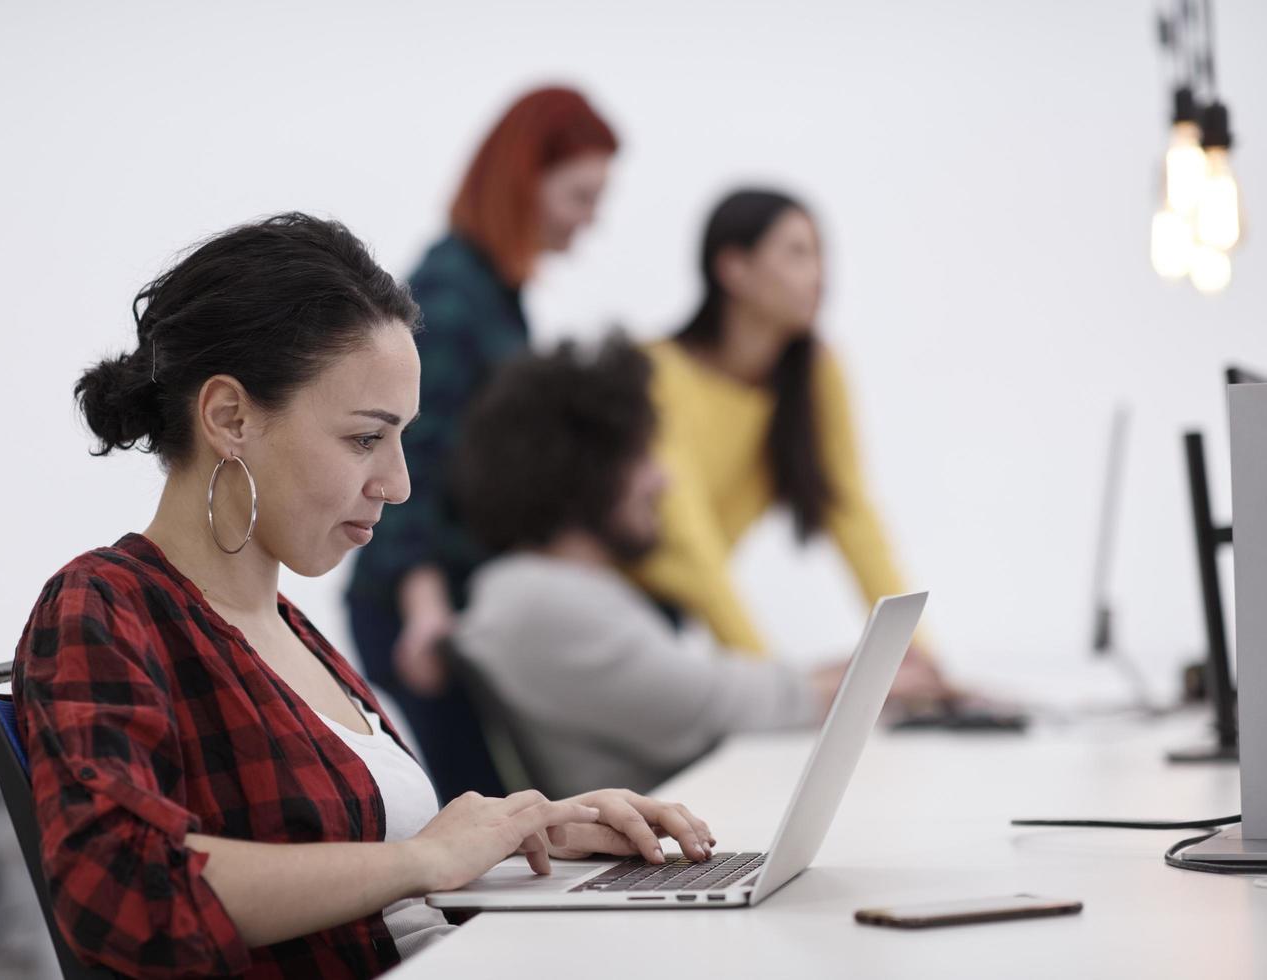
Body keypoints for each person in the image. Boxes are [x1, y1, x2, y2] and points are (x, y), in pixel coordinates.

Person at [13, 214, 716, 979]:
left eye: (403, 438)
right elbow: (122, 887)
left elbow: (375, 880)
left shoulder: (287, 628)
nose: (399, 483)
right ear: (229, 418)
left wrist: (523, 834)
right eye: (363, 439)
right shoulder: (104, 607)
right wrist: (424, 858)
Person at [450, 339, 936, 799]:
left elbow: (707, 688)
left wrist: (858, 673)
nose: (663, 480)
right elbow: (715, 707)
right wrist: (880, 683)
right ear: (584, 466)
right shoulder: (538, 600)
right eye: (642, 457)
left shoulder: (556, 592)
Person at [345, 86, 619, 800]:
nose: (591, 221)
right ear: (523, 180)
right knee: (482, 809)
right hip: (415, 609)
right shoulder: (451, 290)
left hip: (449, 602)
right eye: (580, 196)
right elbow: (412, 456)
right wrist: (426, 607)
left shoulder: (497, 293)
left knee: (500, 807)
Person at [633, 189, 948, 690]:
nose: (820, 275)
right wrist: (775, 688)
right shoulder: (657, 372)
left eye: (820, 254)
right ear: (733, 268)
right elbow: (689, 539)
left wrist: (921, 660)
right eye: (798, 253)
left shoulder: (815, 373)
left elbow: (851, 513)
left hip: (673, 621)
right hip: (612, 609)